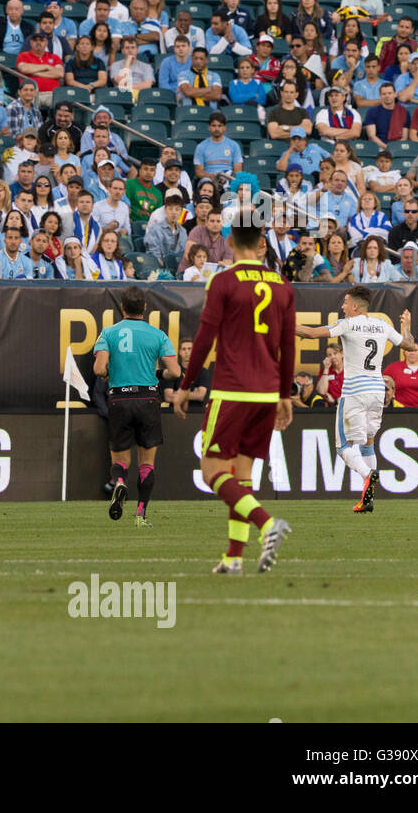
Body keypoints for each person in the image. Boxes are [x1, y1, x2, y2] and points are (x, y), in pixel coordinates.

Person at [173, 220, 296, 575]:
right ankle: (233, 557)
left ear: (229, 241)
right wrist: (284, 395)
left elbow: (204, 338)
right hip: (268, 391)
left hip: (231, 389)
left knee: (212, 470)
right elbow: (288, 344)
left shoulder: (223, 281)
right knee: (242, 475)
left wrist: (185, 385)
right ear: (261, 243)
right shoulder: (283, 286)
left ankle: (267, 522)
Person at [295, 287, 417, 513]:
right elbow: (411, 346)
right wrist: (407, 326)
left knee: (343, 446)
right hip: (377, 391)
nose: (342, 306)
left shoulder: (347, 324)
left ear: (354, 306)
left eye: (345, 302)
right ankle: (368, 498)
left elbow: (311, 334)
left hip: (354, 392)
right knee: (369, 442)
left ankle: (368, 474)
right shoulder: (382, 326)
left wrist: (284, 325)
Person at [92, 287, 181, 528]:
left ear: (122, 307)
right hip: (148, 399)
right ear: (144, 307)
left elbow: (99, 369)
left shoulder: (108, 333)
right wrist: (157, 373)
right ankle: (140, 515)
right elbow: (175, 371)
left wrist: (109, 375)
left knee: (120, 459)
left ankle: (120, 481)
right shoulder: (157, 335)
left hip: (120, 399)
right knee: (147, 463)